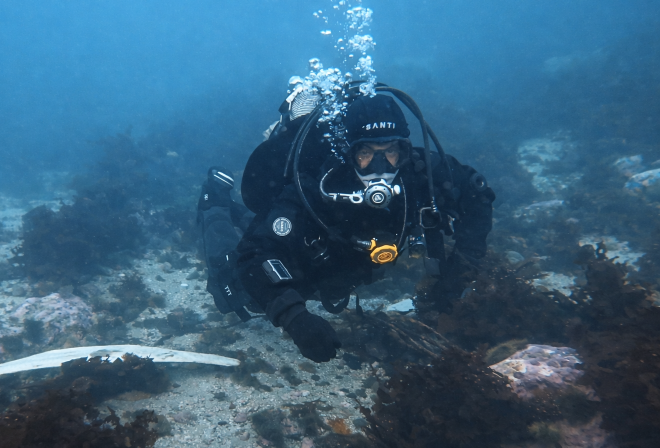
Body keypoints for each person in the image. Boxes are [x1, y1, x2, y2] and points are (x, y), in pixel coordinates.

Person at [198, 83, 495, 362]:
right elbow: (254, 254)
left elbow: (476, 194)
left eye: (391, 151)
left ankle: (237, 213)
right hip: (308, 266)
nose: (381, 167)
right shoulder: (317, 186)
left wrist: (460, 271)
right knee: (234, 291)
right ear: (349, 152)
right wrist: (294, 318)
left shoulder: (420, 173)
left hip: (350, 271)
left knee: (268, 234)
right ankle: (215, 201)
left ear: (404, 150)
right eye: (366, 153)